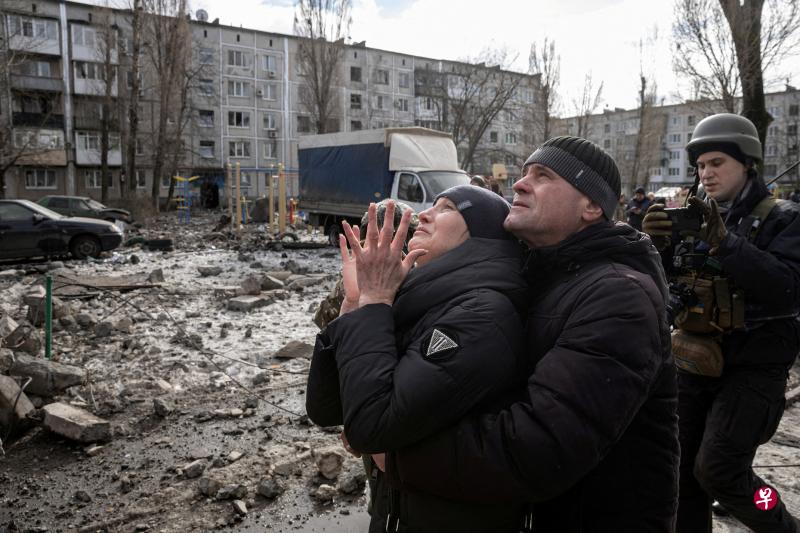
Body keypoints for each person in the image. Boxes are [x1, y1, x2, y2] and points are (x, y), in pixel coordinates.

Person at [350, 136, 679, 532]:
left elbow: (538, 449)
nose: (521, 184)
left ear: (591, 206)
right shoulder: (546, 277)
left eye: (543, 176)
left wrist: (396, 454)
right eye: (524, 173)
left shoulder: (619, 296)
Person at [306, 186, 529, 532]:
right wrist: (355, 304)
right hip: (397, 511)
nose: (425, 214)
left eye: (448, 208)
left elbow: (372, 425)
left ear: (482, 236)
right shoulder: (419, 297)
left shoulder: (483, 314)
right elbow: (328, 409)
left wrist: (376, 300)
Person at [643, 113, 800, 533]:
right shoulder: (695, 218)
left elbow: (787, 287)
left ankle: (779, 521)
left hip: (753, 366)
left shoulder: (783, 218)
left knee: (720, 471)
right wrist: (655, 247)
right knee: (679, 471)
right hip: (694, 359)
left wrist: (726, 243)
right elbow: (671, 285)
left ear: (747, 162)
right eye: (700, 166)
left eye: (717, 163)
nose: (706, 174)